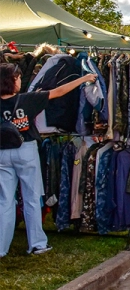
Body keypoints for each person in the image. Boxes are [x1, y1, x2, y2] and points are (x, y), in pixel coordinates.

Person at [0, 63, 97, 257]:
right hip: (25, 150)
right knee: (32, 198)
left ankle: (1, 247)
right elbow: (58, 91)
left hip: (2, 152)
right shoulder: (28, 100)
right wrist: (84, 79)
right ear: (12, 80)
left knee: (4, 201)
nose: (20, 80)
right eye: (17, 77)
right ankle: (36, 244)